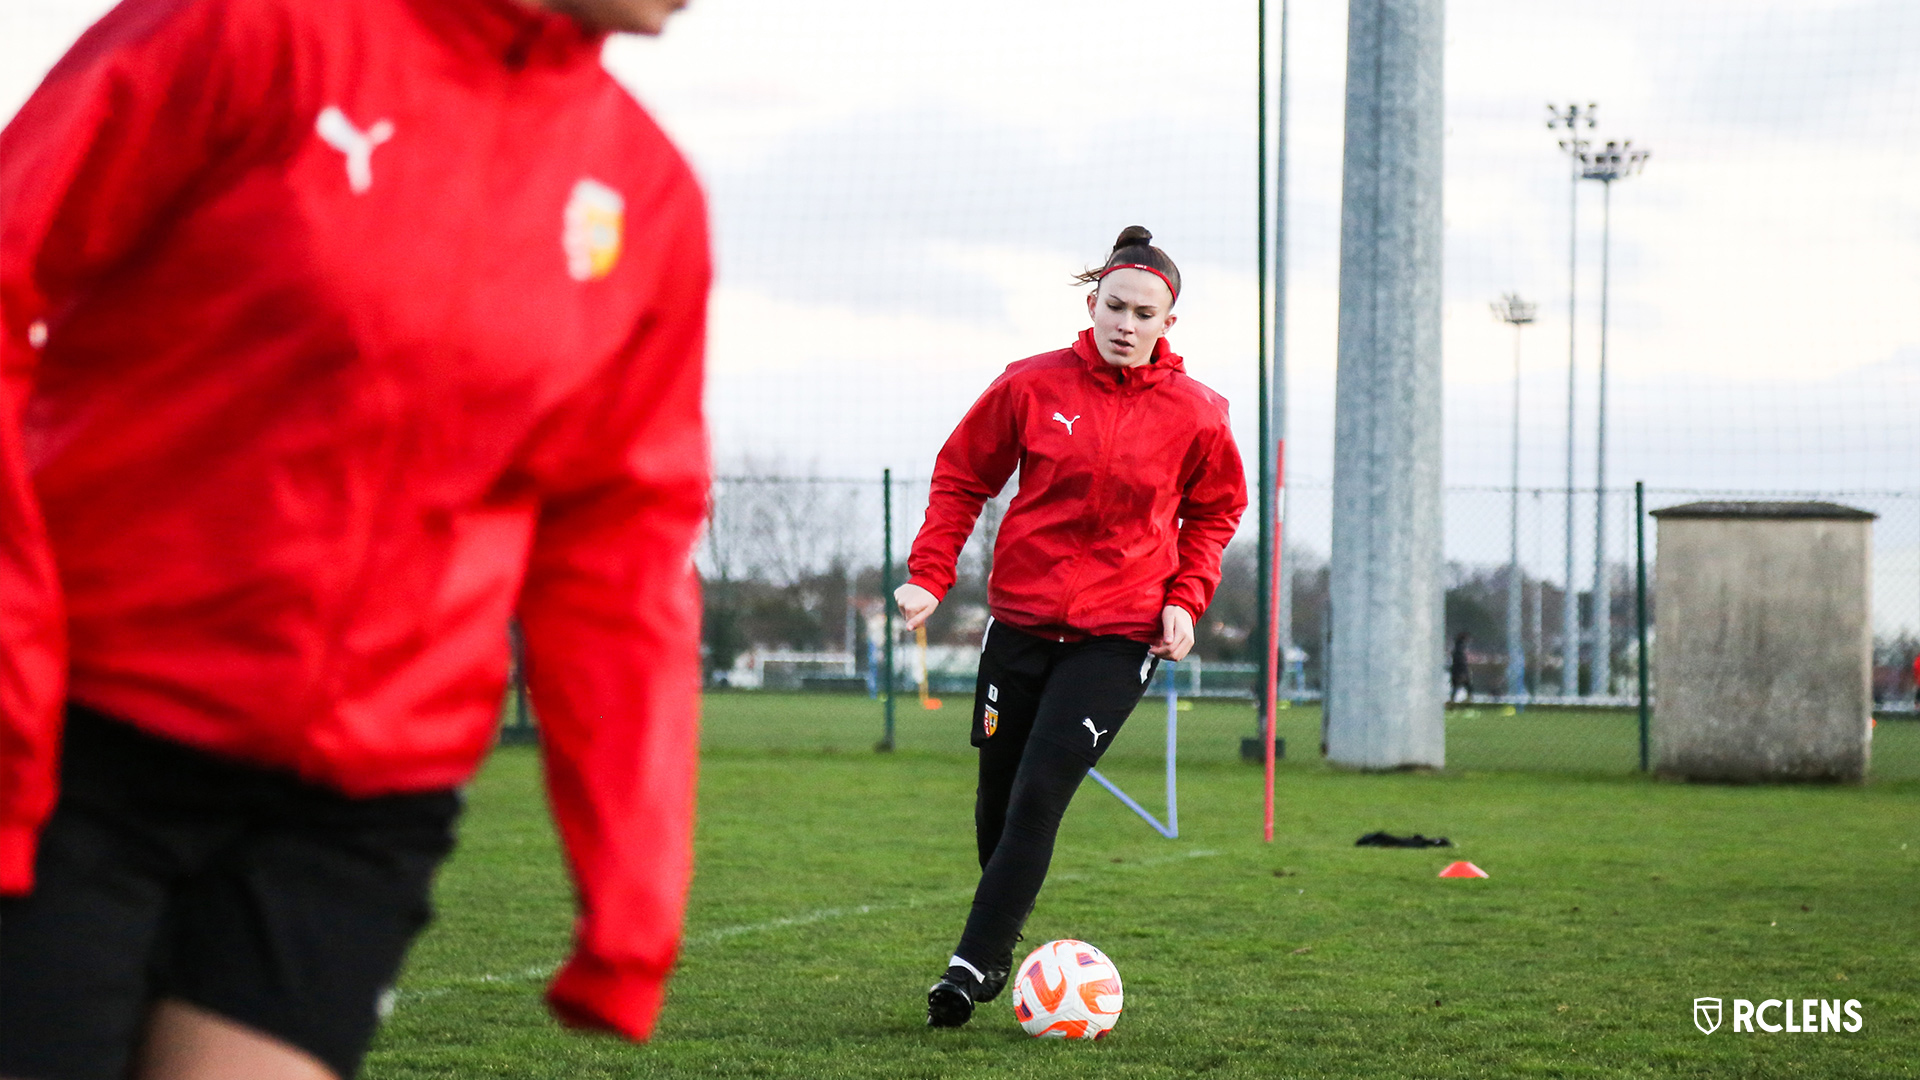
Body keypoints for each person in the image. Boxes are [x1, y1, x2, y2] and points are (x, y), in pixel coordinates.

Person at [0, 0, 707, 1076]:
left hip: (354, 806)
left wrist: (634, 895)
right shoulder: (249, 31)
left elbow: (617, 549)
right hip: (77, 742)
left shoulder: (645, 195)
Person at [893, 226, 1248, 1028]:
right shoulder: (1028, 385)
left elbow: (1218, 510)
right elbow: (961, 477)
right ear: (1091, 306)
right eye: (1114, 307)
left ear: (1169, 323)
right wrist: (929, 575)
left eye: (1144, 313)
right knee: (996, 797)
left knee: (1039, 796)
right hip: (1017, 627)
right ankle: (1003, 938)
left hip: (1119, 636)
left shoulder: (1199, 414)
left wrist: (1186, 597)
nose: (1126, 323)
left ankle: (968, 964)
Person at [1449, 632, 1473, 703]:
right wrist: (1463, 671)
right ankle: (1468, 699)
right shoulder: (1460, 647)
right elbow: (1460, 659)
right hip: (1460, 670)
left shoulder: (1458, 647)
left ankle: (1453, 700)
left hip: (1457, 669)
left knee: (1456, 686)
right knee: (1467, 686)